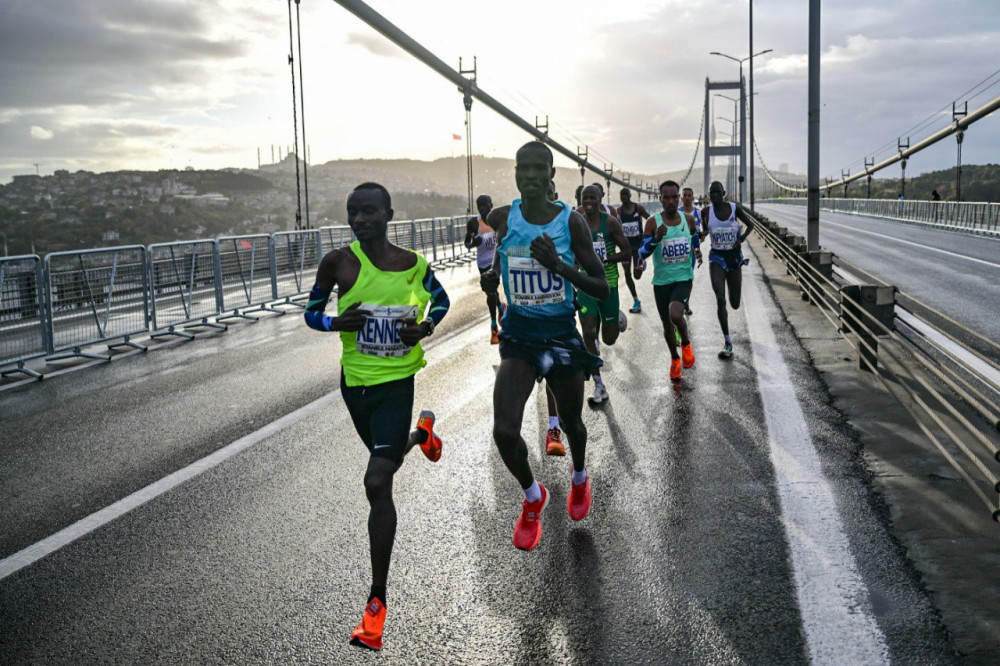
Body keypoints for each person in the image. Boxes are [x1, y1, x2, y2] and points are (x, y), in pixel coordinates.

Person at [305, 182, 451, 651]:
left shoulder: (413, 266)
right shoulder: (338, 263)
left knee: (376, 481)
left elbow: (442, 300)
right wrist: (333, 323)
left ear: (389, 213)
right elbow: (310, 312)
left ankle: (376, 602)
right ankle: (422, 434)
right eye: (353, 212)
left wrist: (423, 326)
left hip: (395, 385)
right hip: (355, 386)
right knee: (384, 464)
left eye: (369, 211)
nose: (360, 219)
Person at [481, 141, 608, 551]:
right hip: (520, 339)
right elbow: (491, 260)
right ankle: (534, 496)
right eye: (524, 168)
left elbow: (601, 287)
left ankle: (579, 476)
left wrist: (558, 266)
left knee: (572, 425)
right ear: (515, 173)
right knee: (504, 431)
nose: (531, 176)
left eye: (540, 169)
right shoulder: (502, 218)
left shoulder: (571, 223)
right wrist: (490, 280)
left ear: (551, 175)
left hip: (561, 338)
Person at [639, 180, 701, 382]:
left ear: (680, 197)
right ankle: (675, 359)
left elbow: (694, 237)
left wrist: (697, 249)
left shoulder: (688, 219)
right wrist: (656, 239)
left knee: (675, 314)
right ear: (661, 199)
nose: (672, 201)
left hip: (683, 278)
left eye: (675, 196)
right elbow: (642, 252)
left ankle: (685, 343)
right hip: (661, 282)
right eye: (667, 197)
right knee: (666, 325)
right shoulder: (652, 223)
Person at [578, 184, 632, 404]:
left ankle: (614, 317)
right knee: (589, 332)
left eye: (592, 197)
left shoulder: (609, 222)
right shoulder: (576, 221)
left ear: (600, 199)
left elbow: (627, 251)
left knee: (608, 340)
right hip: (585, 284)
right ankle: (599, 385)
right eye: (584, 197)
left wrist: (606, 258)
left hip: (607, 284)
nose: (588, 201)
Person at [699, 180, 755, 359]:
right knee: (720, 299)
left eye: (717, 192)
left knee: (735, 303)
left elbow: (751, 225)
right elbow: (705, 232)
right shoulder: (705, 212)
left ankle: (729, 333)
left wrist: (742, 239)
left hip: (734, 258)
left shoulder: (734, 208)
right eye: (711, 193)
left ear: (723, 193)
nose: (714, 196)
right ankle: (727, 341)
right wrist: (699, 238)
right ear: (708, 196)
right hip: (716, 257)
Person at [465, 194, 504, 343]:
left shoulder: (497, 220)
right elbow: (466, 243)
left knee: (492, 292)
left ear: (491, 205)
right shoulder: (474, 223)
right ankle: (500, 308)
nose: (482, 208)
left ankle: (494, 326)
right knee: (491, 292)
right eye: (479, 205)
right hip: (483, 263)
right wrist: (473, 243)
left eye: (485, 205)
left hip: (497, 260)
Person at [617, 187, 650, 314]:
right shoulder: (618, 212)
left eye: (626, 194)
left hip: (638, 247)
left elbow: (650, 219)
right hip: (626, 248)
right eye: (622, 195)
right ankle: (636, 300)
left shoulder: (638, 208)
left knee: (637, 275)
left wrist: (650, 234)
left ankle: (642, 264)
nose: (624, 196)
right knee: (627, 274)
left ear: (630, 195)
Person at [679, 186, 702, 316]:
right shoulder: (677, 213)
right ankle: (680, 303)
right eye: (685, 196)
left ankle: (686, 302)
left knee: (688, 279)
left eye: (689, 196)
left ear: (693, 198)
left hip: (692, 254)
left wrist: (701, 237)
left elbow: (704, 230)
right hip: (679, 252)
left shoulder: (698, 213)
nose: (687, 198)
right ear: (681, 198)